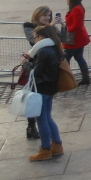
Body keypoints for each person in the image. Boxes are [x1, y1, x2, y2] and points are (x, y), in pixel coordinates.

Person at [23, 23, 64, 161]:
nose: (34, 40)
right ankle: (57, 144)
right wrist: (31, 59)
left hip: (42, 87)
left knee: (41, 119)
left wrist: (25, 63)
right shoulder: (54, 47)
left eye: (35, 37)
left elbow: (36, 72)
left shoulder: (43, 50)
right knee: (47, 116)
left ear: (41, 36)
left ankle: (45, 149)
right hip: (51, 86)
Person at [62, 0, 91, 87]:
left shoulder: (76, 9)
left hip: (75, 39)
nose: (66, 0)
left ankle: (67, 79)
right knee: (79, 57)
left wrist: (67, 28)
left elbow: (76, 25)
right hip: (78, 38)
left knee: (65, 59)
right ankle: (85, 78)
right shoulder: (78, 8)